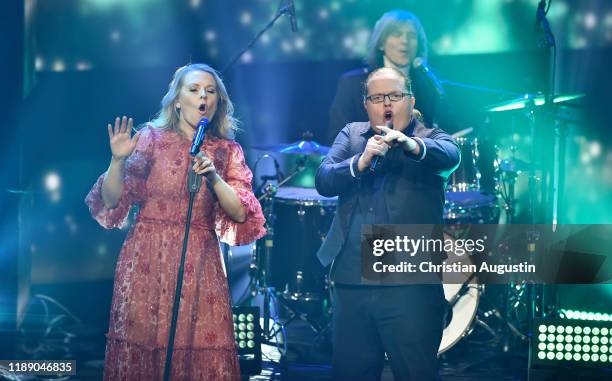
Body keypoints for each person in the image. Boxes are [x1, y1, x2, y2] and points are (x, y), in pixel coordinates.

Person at [85, 63, 266, 380]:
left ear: (217, 103)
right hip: (146, 260)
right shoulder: (151, 139)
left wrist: (213, 177)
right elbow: (112, 200)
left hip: (200, 261)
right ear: (177, 100)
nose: (203, 97)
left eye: (210, 92)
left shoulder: (226, 151)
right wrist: (117, 161)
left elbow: (240, 213)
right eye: (194, 89)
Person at [316, 67, 460, 381]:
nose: (387, 104)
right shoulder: (352, 135)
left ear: (411, 100)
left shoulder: (430, 138)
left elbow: (451, 156)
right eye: (377, 97)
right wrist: (360, 162)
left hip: (410, 284)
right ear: (366, 104)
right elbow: (324, 179)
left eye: (395, 96)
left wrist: (410, 145)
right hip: (352, 280)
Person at [327, 9, 440, 145]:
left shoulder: (427, 85)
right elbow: (337, 139)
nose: (405, 41)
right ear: (381, 43)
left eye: (411, 35)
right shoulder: (352, 84)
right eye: (397, 34)